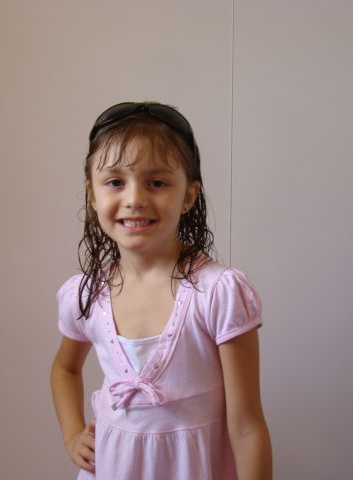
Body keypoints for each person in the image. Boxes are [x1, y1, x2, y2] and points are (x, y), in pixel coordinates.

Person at [50, 102, 273, 479]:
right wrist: (72, 434)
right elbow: (64, 368)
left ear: (188, 196)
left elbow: (247, 428)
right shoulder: (84, 295)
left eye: (157, 182)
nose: (135, 199)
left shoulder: (217, 294)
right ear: (93, 195)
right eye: (115, 182)